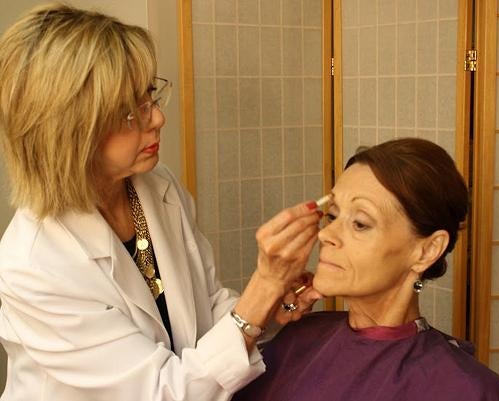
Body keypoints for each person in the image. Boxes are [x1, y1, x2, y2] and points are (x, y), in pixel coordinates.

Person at [0, 4, 322, 401]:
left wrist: (268, 307)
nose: (156, 119)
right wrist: (264, 285)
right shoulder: (35, 265)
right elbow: (162, 392)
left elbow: (202, 311)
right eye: (128, 111)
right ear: (68, 131)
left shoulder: (157, 186)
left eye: (149, 95)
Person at [233, 138, 499, 401]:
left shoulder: (468, 390)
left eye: (360, 223)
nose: (325, 234)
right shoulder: (296, 340)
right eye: (332, 216)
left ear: (427, 250)